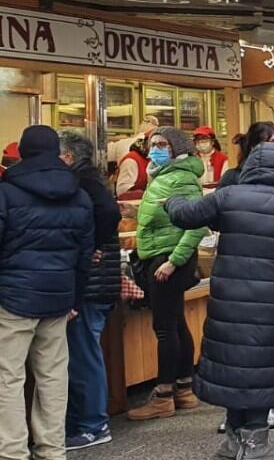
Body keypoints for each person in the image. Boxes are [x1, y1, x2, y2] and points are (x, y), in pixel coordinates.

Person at [161, 142, 274, 459]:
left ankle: (233, 439)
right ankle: (255, 443)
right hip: (273, 300)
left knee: (231, 362)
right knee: (261, 364)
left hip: (228, 298)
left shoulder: (229, 196)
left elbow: (186, 215)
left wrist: (171, 200)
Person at [0, 125, 95, 459]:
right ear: (57, 152)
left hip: (12, 298)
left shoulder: (6, 193)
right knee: (54, 376)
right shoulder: (79, 195)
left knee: (7, 378)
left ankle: (11, 452)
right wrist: (75, 297)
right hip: (59, 298)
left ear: (22, 153)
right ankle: (52, 450)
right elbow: (85, 254)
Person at [127, 127, 206, 422]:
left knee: (164, 327)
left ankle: (163, 395)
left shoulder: (182, 178)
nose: (155, 149)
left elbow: (196, 224)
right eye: (152, 144)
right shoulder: (161, 174)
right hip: (161, 254)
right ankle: (184, 389)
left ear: (177, 148)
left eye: (162, 144)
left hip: (167, 259)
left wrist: (173, 261)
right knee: (176, 322)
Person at [59, 131, 121, 451]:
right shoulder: (87, 178)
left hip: (92, 283)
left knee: (84, 355)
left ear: (68, 156)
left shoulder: (83, 182)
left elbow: (111, 214)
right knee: (82, 353)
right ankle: (84, 421)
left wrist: (91, 246)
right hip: (97, 280)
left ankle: (93, 424)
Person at [115, 117, 159, 200]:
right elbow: (122, 191)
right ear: (147, 143)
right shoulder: (132, 160)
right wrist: (149, 194)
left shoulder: (154, 160)